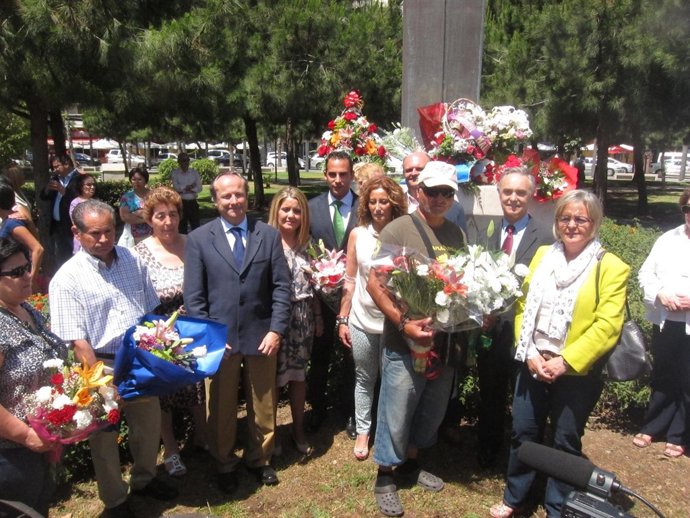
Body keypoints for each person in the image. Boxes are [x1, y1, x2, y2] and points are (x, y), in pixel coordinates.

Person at [490, 190, 630, 518]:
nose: (571, 225)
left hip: (576, 372)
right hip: (534, 359)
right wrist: (530, 352)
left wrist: (566, 361)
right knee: (524, 432)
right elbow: (523, 304)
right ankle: (515, 497)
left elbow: (608, 325)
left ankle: (558, 505)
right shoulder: (542, 255)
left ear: (594, 224)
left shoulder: (610, 266)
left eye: (580, 219)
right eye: (565, 218)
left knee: (566, 440)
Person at [50, 200, 178, 518]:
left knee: (147, 427)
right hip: (99, 364)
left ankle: (145, 480)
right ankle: (115, 500)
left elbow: (149, 309)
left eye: (108, 231)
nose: (104, 239)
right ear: (76, 232)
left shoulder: (132, 260)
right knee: (104, 438)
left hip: (138, 357)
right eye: (95, 234)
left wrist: (156, 350)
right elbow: (78, 341)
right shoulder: (67, 278)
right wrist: (103, 381)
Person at [367, 161, 466, 517]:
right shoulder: (398, 231)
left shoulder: (457, 234)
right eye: (432, 191)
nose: (439, 198)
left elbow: (460, 284)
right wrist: (403, 321)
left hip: (443, 341)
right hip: (403, 339)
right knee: (397, 405)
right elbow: (375, 284)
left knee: (430, 407)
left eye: (446, 193)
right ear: (418, 191)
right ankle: (385, 474)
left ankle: (411, 462)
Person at [184, 172, 291, 493]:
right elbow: (194, 297)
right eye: (226, 196)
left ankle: (260, 459)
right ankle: (225, 462)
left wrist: (276, 330)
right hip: (222, 341)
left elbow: (281, 287)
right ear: (215, 200)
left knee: (264, 404)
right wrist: (212, 338)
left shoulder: (268, 235)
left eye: (239, 195)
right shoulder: (200, 239)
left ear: (247, 196)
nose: (233, 201)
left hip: (262, 336)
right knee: (220, 406)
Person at [473, 166, 552, 467]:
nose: (514, 198)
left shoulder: (545, 237)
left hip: (527, 335)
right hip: (492, 330)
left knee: (525, 401)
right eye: (508, 192)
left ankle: (524, 457)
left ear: (531, 195)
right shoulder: (484, 232)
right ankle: (487, 446)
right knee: (490, 394)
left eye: (521, 192)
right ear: (499, 193)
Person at [134, 187, 207, 477]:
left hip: (195, 328)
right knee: (164, 396)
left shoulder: (193, 243)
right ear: (150, 219)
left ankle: (203, 438)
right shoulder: (139, 253)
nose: (168, 221)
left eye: (173, 214)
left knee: (198, 388)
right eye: (160, 215)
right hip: (160, 332)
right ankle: (172, 449)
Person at [337, 176, 407, 461]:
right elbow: (350, 279)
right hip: (362, 319)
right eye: (373, 202)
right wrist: (343, 317)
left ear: (394, 203)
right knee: (365, 377)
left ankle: (387, 432)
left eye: (384, 201)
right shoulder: (358, 234)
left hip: (394, 321)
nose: (378, 207)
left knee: (393, 382)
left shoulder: (405, 233)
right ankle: (364, 429)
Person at [0, 238, 67, 516]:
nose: (28, 275)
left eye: (27, 267)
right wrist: (26, 435)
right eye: (16, 273)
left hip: (39, 446)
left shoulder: (25, 308)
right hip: (10, 454)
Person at [634, 188, 690, 458]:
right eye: (688, 209)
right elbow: (646, 272)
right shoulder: (668, 239)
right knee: (664, 375)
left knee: (688, 381)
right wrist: (659, 293)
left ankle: (679, 435)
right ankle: (654, 425)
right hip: (666, 321)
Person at [307, 150, 359, 436]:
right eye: (332, 174)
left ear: (351, 175)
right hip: (321, 302)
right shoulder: (311, 208)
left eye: (343, 174)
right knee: (320, 355)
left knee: (353, 358)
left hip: (356, 299)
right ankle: (317, 407)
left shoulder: (366, 207)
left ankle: (351, 412)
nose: (337, 180)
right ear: (325, 175)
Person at [268, 187, 323, 455]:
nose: (291, 215)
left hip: (303, 319)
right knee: (273, 380)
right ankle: (273, 432)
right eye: (286, 209)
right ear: (276, 211)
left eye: (297, 210)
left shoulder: (309, 244)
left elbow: (315, 285)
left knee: (298, 378)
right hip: (274, 321)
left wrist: (318, 316)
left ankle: (297, 428)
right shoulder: (265, 241)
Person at [402, 151, 468, 234]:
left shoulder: (455, 209)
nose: (414, 173)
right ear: (403, 173)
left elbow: (461, 243)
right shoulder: (395, 204)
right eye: (408, 170)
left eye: (420, 169)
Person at [0, 179, 44, 291]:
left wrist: (31, 278)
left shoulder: (12, 223)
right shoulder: (9, 220)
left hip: (18, 280)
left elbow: (38, 249)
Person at [39, 154, 80, 268]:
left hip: (71, 225)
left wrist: (63, 191)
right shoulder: (56, 179)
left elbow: (79, 200)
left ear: (66, 164)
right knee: (61, 257)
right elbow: (44, 197)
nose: (55, 170)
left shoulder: (79, 179)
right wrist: (47, 188)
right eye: (53, 167)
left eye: (57, 166)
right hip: (57, 225)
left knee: (74, 255)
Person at [119, 166, 152, 245]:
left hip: (153, 235)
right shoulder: (126, 197)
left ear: (145, 180)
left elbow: (157, 213)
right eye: (134, 179)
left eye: (140, 179)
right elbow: (125, 217)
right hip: (134, 236)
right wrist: (147, 218)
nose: (136, 182)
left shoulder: (154, 195)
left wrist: (137, 214)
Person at [2, 164, 37, 237]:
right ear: (16, 178)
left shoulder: (20, 192)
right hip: (20, 231)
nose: (24, 176)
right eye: (22, 175)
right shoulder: (12, 196)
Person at [171, 153, 202, 234]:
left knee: (196, 228)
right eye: (183, 160)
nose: (186, 162)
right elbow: (176, 188)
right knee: (182, 228)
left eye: (187, 160)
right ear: (179, 162)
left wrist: (183, 189)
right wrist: (190, 187)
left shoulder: (194, 173)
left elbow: (199, 188)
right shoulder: (175, 173)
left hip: (193, 203)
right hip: (181, 203)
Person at [69, 174, 97, 254]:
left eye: (93, 185)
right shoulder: (75, 203)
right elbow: (75, 222)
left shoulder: (96, 202)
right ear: (81, 186)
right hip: (82, 239)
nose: (92, 187)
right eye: (89, 185)